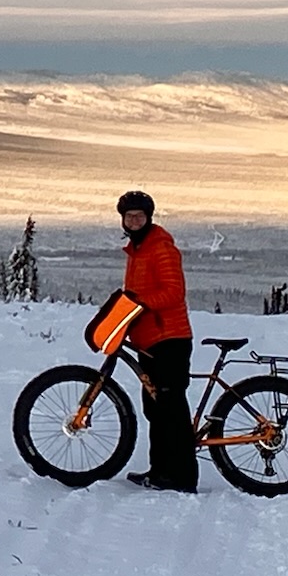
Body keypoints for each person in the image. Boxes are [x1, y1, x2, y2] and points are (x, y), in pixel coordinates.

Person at [117, 190, 197, 492]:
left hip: (169, 338)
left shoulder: (161, 248)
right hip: (149, 340)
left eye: (140, 216)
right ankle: (160, 471)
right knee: (157, 409)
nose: (134, 220)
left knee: (171, 410)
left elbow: (173, 292)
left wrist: (140, 304)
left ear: (149, 218)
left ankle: (183, 478)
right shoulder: (137, 250)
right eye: (129, 216)